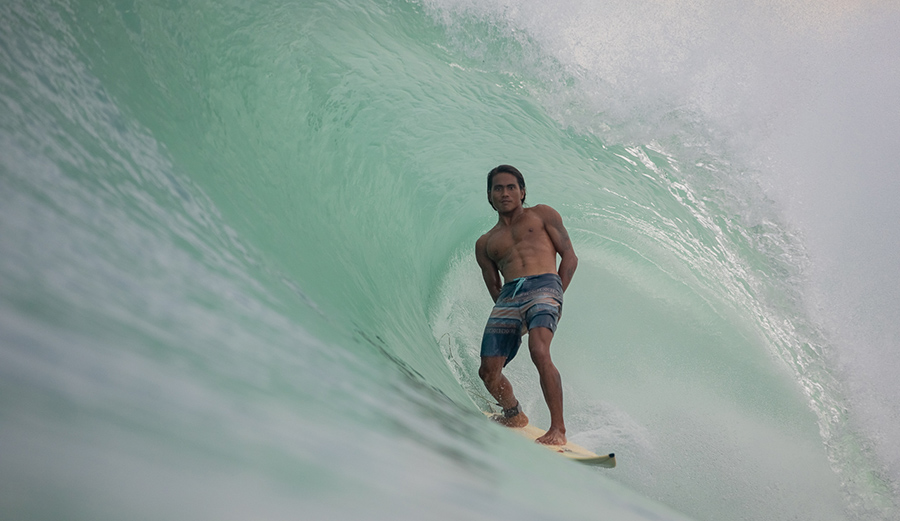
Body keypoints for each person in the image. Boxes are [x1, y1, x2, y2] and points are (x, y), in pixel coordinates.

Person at [475, 164, 577, 445]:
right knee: (487, 371)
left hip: (544, 284)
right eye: (498, 188)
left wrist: (555, 293)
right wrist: (514, 318)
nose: (505, 193)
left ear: (522, 191)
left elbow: (569, 256)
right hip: (510, 296)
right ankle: (513, 414)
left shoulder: (542, 214)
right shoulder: (485, 243)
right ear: (489, 195)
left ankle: (558, 430)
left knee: (539, 350)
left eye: (511, 187)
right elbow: (494, 287)